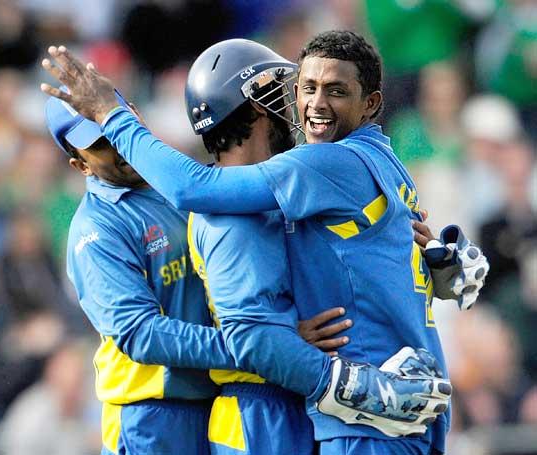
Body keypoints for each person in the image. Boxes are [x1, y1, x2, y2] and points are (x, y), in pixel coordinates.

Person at [40, 31, 489, 454]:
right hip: (216, 411)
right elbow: (204, 335)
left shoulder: (264, 191)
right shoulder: (213, 208)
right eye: (290, 90)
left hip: (276, 399)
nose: (303, 103)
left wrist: (401, 249)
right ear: (254, 107)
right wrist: (293, 351)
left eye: (331, 89)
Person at [44, 92, 356, 454]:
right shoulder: (96, 228)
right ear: (79, 165)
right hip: (150, 414)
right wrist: (265, 344)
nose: (116, 143)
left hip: (221, 399)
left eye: (114, 125)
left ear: (134, 116)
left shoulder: (189, 182)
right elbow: (142, 335)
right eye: (98, 143)